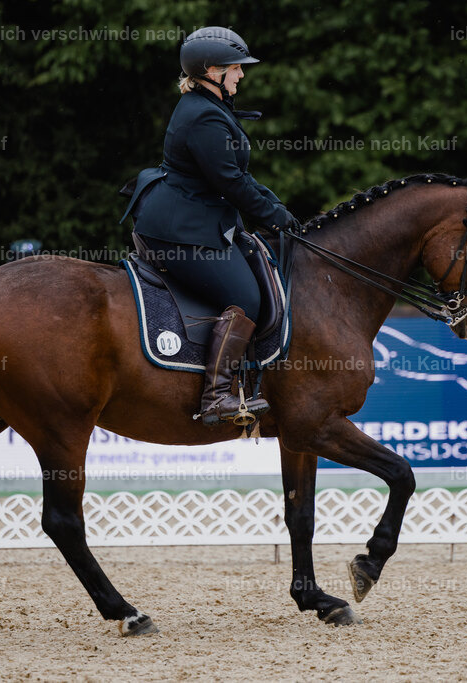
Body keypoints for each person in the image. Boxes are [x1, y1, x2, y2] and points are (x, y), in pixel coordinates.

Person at [122, 26, 300, 426]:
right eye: (236, 68)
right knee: (247, 298)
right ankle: (217, 396)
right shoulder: (203, 117)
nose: (242, 75)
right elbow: (231, 183)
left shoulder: (211, 107)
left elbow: (239, 176)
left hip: (199, 222)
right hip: (177, 232)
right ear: (212, 70)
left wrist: (277, 208)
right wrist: (273, 216)